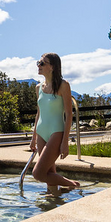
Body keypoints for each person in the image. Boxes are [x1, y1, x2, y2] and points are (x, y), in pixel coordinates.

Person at [29, 53, 80, 196]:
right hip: (41, 132)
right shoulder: (38, 87)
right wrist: (33, 138)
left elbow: (69, 114)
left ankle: (73, 185)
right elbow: (39, 113)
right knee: (49, 173)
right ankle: (54, 199)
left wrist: (65, 142)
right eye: (38, 62)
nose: (38, 66)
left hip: (56, 132)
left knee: (38, 173)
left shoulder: (64, 85)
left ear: (52, 67)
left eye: (42, 63)